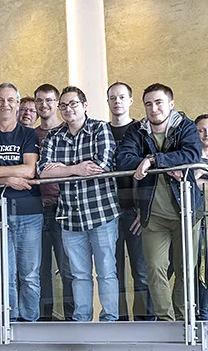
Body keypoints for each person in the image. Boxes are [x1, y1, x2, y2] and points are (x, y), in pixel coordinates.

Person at [113, 83, 203, 321]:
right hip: (152, 213)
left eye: (159, 102)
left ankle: (185, 319)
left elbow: (192, 155)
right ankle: (166, 322)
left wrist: (154, 161)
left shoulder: (186, 126)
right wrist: (167, 165)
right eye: (149, 104)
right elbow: (123, 160)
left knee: (185, 268)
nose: (153, 108)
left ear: (171, 104)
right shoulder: (137, 131)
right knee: (154, 269)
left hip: (186, 211)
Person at [38, 87, 119, 322]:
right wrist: (76, 169)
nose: (68, 109)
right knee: (79, 274)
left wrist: (61, 169)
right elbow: (43, 171)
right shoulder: (54, 136)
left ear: (85, 105)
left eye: (73, 103)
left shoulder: (99, 128)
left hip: (101, 212)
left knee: (106, 272)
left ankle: (110, 320)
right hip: (69, 216)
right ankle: (82, 320)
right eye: (63, 105)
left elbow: (100, 165)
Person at [0, 82, 43, 321]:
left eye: (11, 100)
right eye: (0, 100)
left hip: (29, 213)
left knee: (30, 274)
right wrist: (11, 177)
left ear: (18, 104)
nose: (5, 104)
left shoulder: (28, 133)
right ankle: (9, 323)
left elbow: (30, 170)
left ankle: (30, 322)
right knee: (4, 274)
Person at [106, 80, 150, 321]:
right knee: (113, 272)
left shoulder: (141, 132)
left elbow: (149, 175)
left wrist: (144, 211)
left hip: (136, 211)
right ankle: (119, 321)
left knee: (141, 271)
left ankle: (146, 321)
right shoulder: (101, 131)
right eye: (112, 97)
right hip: (108, 210)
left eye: (122, 97)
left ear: (131, 101)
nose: (117, 101)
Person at [32, 83, 74, 320]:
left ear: (56, 103)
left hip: (65, 207)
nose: (43, 105)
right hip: (37, 208)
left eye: (49, 100)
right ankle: (44, 319)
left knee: (69, 270)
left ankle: (71, 320)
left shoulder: (69, 132)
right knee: (40, 271)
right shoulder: (30, 134)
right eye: (39, 100)